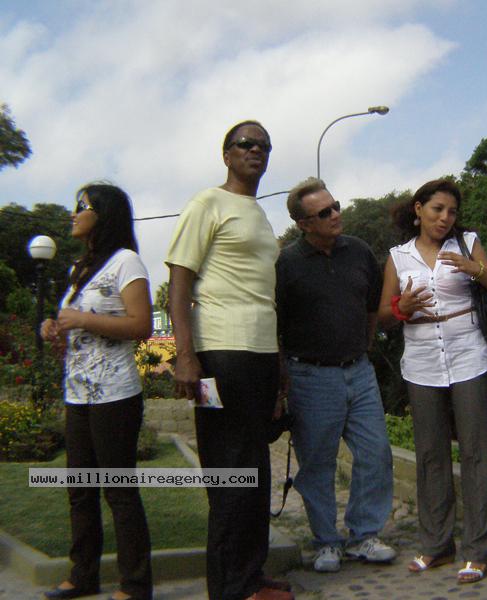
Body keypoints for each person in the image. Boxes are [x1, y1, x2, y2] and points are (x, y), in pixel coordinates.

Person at [166, 121, 292, 600]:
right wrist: (185, 355)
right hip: (219, 351)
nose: (256, 151)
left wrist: (279, 365)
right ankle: (229, 587)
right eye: (246, 144)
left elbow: (264, 294)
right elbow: (179, 283)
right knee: (229, 471)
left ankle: (252, 574)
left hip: (259, 355)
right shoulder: (207, 203)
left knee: (255, 470)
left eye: (264, 146)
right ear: (226, 154)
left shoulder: (258, 213)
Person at [377, 179, 487, 584]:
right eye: (437, 209)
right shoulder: (398, 257)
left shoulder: (468, 243)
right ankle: (436, 545)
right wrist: (402, 306)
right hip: (421, 361)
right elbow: (382, 317)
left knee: (476, 452)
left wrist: (476, 270)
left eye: (451, 211)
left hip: (468, 354)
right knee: (431, 454)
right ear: (419, 210)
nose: (445, 218)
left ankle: (478, 550)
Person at [275, 177, 396, 573]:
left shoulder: (359, 251)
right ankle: (327, 541)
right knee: (317, 464)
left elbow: (372, 305)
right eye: (324, 212)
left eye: (336, 206)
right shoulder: (286, 264)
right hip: (309, 377)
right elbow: (275, 325)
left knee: (376, 453)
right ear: (303, 224)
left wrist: (366, 344)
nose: (335, 215)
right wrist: (282, 379)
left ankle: (364, 535)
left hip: (359, 371)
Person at [41, 183, 153, 600]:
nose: (73, 213)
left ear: (104, 215)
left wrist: (82, 319)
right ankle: (83, 576)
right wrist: (54, 328)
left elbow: (141, 325)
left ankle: (135, 586)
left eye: (82, 206)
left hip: (114, 396)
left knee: (118, 491)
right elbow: (75, 326)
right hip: (78, 395)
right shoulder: (79, 269)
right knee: (80, 490)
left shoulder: (126, 262)